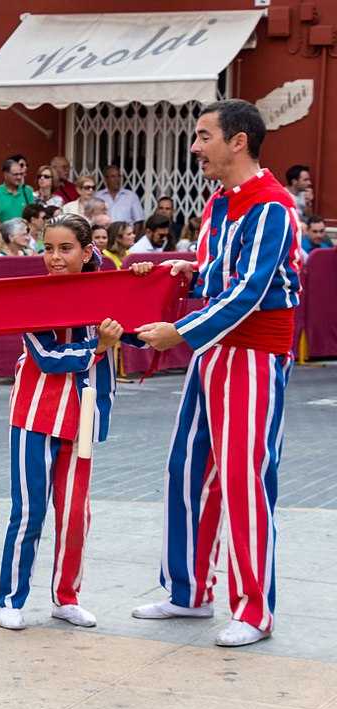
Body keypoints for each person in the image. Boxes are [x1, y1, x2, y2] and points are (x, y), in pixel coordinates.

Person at [134, 99, 303, 648]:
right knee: (187, 468)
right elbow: (223, 273)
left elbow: (252, 289)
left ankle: (254, 610)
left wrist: (180, 332)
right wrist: (189, 267)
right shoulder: (218, 204)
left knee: (244, 479)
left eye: (204, 136)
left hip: (254, 354)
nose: (195, 146)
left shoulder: (273, 207)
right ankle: (188, 592)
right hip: (215, 354)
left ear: (238, 142)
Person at [0, 213, 150, 631]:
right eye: (48, 248)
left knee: (75, 514)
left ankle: (67, 597)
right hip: (35, 414)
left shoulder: (107, 287)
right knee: (28, 513)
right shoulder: (34, 294)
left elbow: (137, 330)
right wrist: (98, 345)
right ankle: (11, 598)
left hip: (83, 416)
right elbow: (46, 357)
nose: (54, 258)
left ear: (86, 252)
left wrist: (142, 281)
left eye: (65, 249)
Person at [0, 157, 35, 226]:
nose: (19, 177)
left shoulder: (27, 191)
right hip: (5, 234)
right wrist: (7, 231)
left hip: (25, 233)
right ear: (5, 174)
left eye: (21, 174)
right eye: (15, 174)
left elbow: (33, 216)